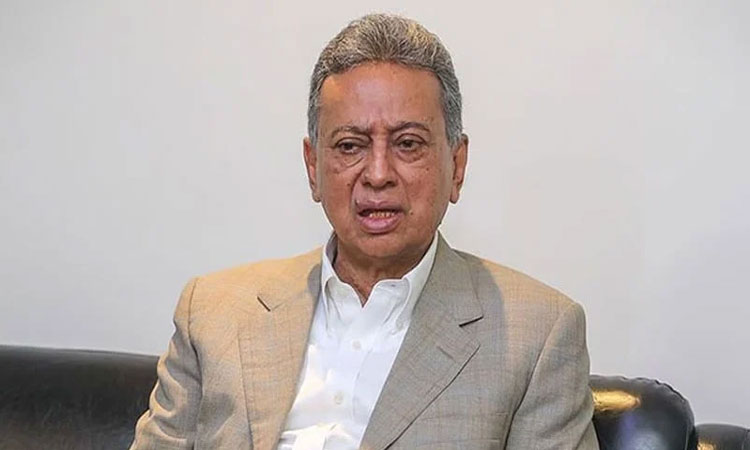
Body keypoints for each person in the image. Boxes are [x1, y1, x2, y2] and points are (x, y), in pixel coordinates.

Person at [130, 13, 599, 450]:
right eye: (350, 146)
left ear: (457, 166)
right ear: (313, 168)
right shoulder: (213, 312)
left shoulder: (538, 335)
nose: (377, 174)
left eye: (408, 144)